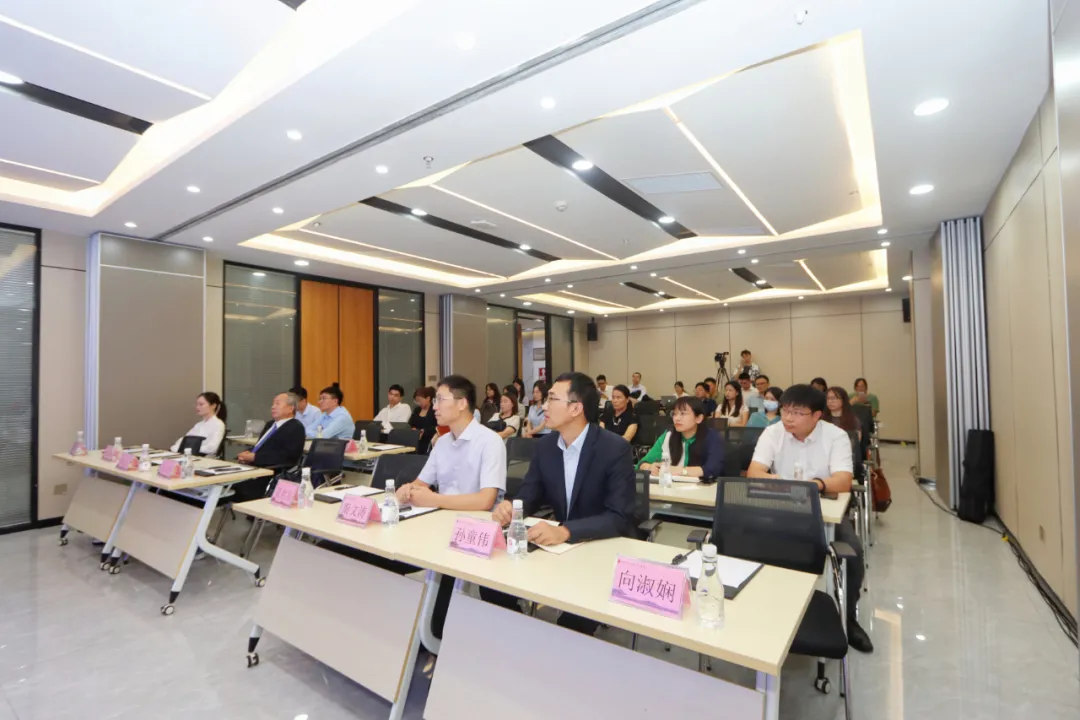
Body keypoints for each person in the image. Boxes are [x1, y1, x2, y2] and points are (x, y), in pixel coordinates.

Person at [491, 372, 636, 635]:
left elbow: (619, 517)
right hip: (558, 548)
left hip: (600, 546)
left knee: (572, 624)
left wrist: (566, 531)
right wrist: (512, 506)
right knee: (492, 586)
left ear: (576, 408)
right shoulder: (546, 447)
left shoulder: (614, 449)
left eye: (552, 399)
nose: (544, 406)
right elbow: (530, 494)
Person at [747, 384, 873, 653]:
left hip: (823, 510)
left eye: (797, 413)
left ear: (816, 415)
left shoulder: (836, 436)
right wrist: (777, 481)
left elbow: (843, 480)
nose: (788, 418)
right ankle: (762, 612)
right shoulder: (774, 432)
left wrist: (814, 485)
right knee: (746, 543)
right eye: (785, 410)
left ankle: (848, 619)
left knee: (852, 553)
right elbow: (754, 471)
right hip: (781, 509)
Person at [385, 375, 507, 645]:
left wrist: (435, 499)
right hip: (439, 522)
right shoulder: (442, 443)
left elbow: (486, 500)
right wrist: (408, 489)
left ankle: (436, 636)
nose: (434, 406)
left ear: (462, 403)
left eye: (441, 399)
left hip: (473, 531)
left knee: (440, 591)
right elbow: (423, 483)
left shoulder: (490, 442)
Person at [235, 392, 306, 501]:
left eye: (278, 404)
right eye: (273, 404)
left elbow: (288, 457)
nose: (273, 407)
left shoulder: (296, 427)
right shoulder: (270, 424)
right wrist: (248, 454)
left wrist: (255, 457)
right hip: (254, 467)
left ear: (290, 408)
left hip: (271, 473)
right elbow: (262, 447)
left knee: (229, 487)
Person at [638, 397, 724, 479]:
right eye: (675, 414)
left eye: (683, 414)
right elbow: (642, 463)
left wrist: (679, 470)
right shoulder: (668, 436)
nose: (677, 418)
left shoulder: (712, 437)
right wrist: (649, 467)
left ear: (698, 418)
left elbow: (712, 469)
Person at [170, 391, 227, 456]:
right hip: (189, 456)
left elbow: (212, 448)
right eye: (197, 404)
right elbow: (184, 440)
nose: (197, 407)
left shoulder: (218, 424)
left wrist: (189, 448)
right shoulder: (199, 425)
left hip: (204, 459)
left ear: (213, 406)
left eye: (201, 404)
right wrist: (177, 448)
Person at [409, 386, 438, 452]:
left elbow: (437, 426)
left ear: (428, 398)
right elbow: (410, 423)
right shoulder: (417, 410)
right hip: (416, 440)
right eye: (416, 401)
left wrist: (424, 431)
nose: (418, 403)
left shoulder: (434, 410)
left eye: (420, 400)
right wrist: (413, 429)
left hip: (429, 440)